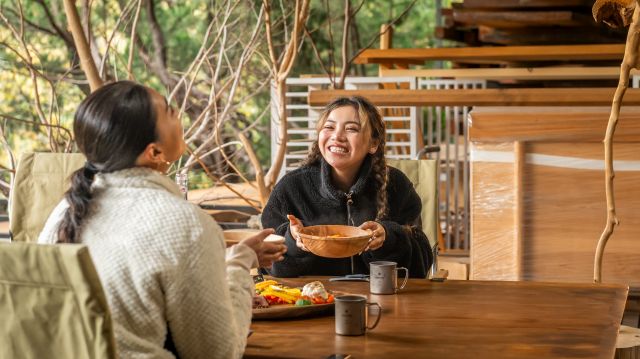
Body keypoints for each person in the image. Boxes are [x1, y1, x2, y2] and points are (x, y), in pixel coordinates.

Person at [38, 81, 286, 359]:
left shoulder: (64, 212)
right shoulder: (184, 223)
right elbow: (217, 353)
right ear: (154, 152)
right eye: (169, 111)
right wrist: (239, 264)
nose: (178, 112)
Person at [261, 96, 432, 278]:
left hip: (382, 299)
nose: (337, 136)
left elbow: (420, 264)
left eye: (351, 128)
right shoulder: (291, 188)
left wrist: (388, 238)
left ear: (373, 144)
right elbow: (267, 266)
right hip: (310, 301)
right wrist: (293, 239)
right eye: (329, 127)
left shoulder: (396, 185)